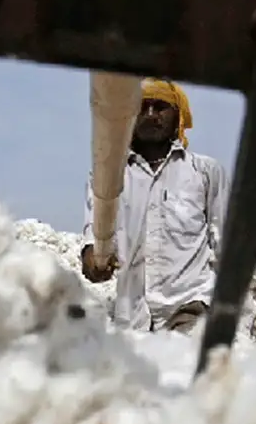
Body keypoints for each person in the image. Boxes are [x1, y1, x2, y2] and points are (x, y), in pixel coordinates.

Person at [80, 78, 228, 333]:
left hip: (191, 305)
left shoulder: (204, 172)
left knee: (183, 357)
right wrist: (93, 261)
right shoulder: (106, 177)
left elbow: (224, 242)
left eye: (160, 107)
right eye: (142, 107)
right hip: (133, 317)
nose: (150, 115)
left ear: (178, 116)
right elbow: (92, 239)